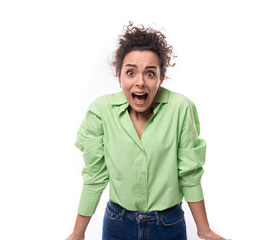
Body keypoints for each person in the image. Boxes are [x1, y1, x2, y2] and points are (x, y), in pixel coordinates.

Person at [66, 22, 229, 240]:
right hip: (118, 224)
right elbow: (95, 175)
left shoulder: (181, 108)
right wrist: (78, 233)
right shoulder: (100, 112)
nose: (140, 82)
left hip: (169, 225)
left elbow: (189, 173)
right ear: (119, 75)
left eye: (150, 74)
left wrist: (204, 230)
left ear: (161, 77)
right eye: (131, 72)